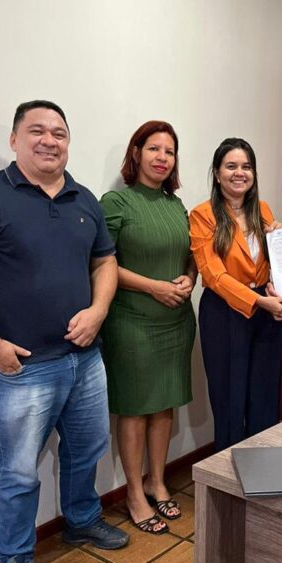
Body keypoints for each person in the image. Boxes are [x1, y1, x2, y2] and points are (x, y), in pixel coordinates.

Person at [0, 100, 128, 563]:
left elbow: (106, 262)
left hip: (85, 359)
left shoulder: (83, 198)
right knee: (19, 472)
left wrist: (98, 312)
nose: (49, 140)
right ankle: (16, 560)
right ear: (14, 140)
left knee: (87, 449)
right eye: (37, 131)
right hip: (23, 369)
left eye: (59, 133)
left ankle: (81, 521)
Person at [100, 121, 196, 533]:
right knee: (135, 409)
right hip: (132, 322)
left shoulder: (176, 206)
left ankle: (157, 481)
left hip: (176, 321)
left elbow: (191, 256)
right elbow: (101, 263)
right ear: (136, 153)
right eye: (154, 148)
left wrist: (189, 278)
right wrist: (153, 287)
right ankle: (134, 494)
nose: (162, 157)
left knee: (164, 404)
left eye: (169, 151)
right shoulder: (116, 202)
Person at [190, 138, 282, 451]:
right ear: (217, 173)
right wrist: (259, 300)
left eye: (246, 166)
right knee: (229, 398)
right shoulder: (202, 215)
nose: (239, 173)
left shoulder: (263, 210)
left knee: (264, 394)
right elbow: (214, 275)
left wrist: (277, 286)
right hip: (224, 312)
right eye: (231, 166)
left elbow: (272, 265)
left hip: (266, 313)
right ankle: (228, 470)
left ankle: (262, 466)